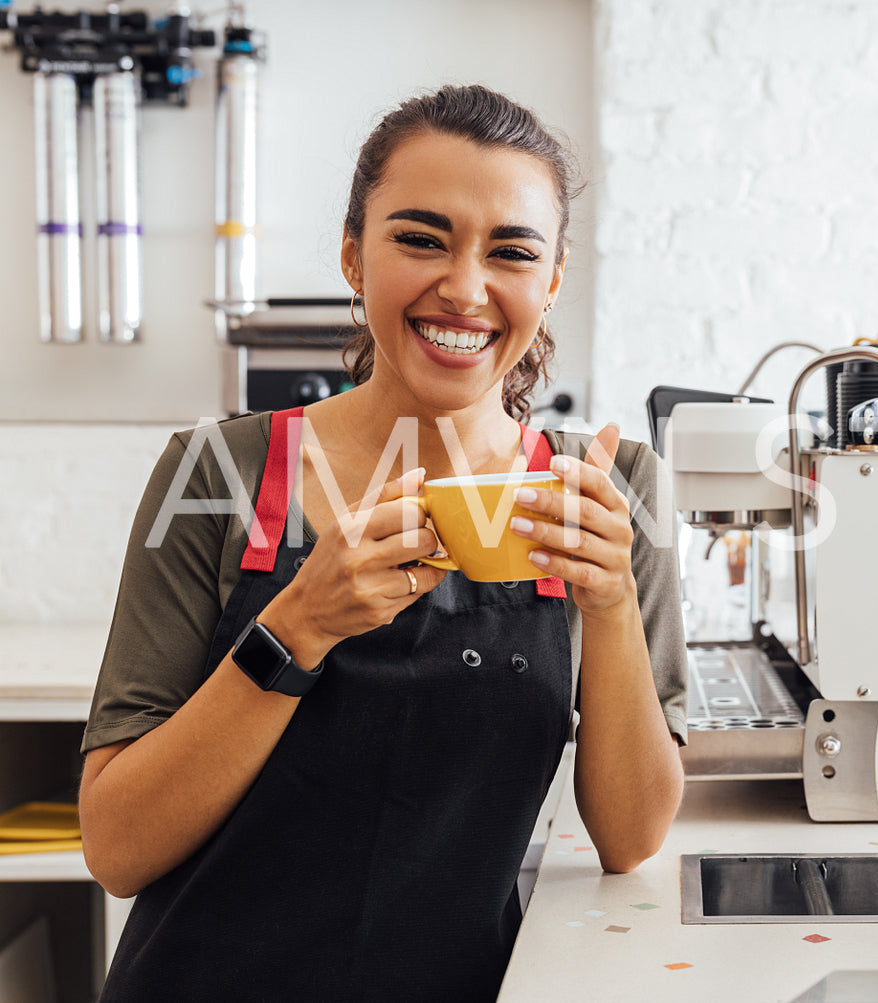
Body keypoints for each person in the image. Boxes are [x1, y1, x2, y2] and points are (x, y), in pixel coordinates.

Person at [78, 84, 688, 1001]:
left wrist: (605, 601)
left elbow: (631, 833)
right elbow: (117, 847)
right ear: (354, 257)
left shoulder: (607, 488)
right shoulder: (219, 473)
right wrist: (296, 628)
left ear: (552, 280)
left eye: (512, 252)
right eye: (420, 238)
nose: (466, 286)